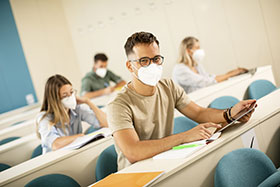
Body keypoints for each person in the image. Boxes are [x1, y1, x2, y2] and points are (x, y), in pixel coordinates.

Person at [107, 32, 255, 170]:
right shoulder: (118, 105)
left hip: (165, 162)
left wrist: (230, 114)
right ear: (130, 66)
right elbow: (134, 152)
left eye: (156, 59)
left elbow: (199, 112)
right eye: (144, 61)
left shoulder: (168, 86)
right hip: (137, 174)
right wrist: (184, 137)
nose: (152, 65)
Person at [36, 74, 108, 154]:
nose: (70, 97)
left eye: (71, 92)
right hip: (54, 161)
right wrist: (79, 136)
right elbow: (55, 144)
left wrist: (88, 102)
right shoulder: (44, 117)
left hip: (73, 155)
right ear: (55, 99)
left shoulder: (77, 109)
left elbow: (106, 123)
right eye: (65, 95)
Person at [172, 36, 248, 93]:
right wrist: (229, 75)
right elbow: (206, 82)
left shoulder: (196, 65)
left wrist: (231, 73)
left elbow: (210, 77)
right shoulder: (180, 69)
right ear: (188, 51)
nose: (200, 50)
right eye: (197, 48)